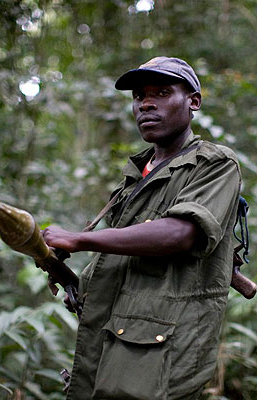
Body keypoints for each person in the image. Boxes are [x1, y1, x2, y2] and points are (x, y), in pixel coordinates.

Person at [43, 57, 241, 400]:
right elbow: (125, 259)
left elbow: (180, 233)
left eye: (162, 93)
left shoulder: (214, 163)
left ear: (193, 101)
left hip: (159, 355)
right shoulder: (136, 174)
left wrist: (78, 239)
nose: (146, 104)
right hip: (112, 339)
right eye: (139, 97)